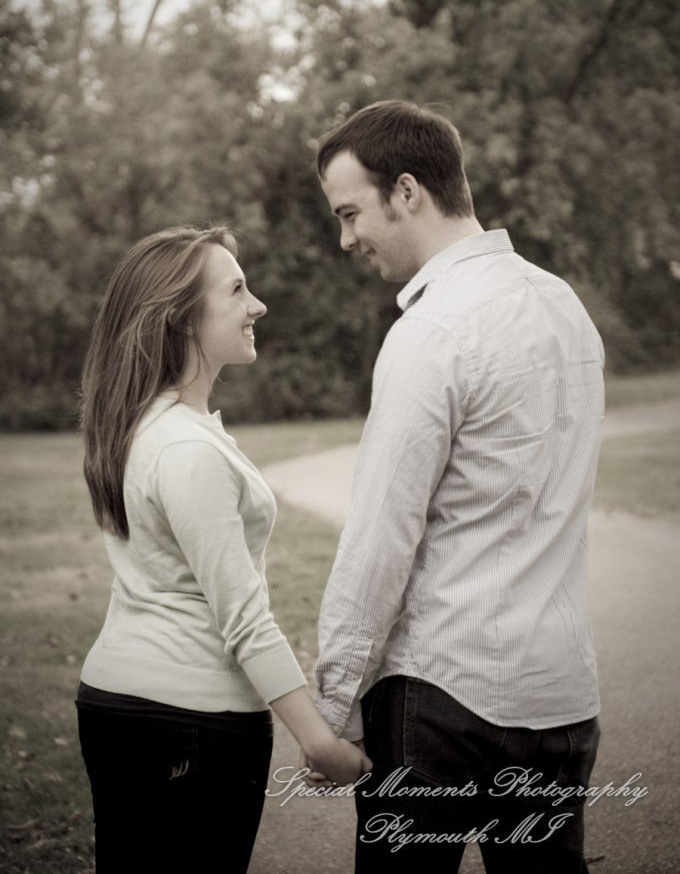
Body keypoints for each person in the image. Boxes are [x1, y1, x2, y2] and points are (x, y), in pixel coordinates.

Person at [313, 101, 604, 873]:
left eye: (349, 213)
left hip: (442, 698)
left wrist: (333, 704)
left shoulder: (431, 332)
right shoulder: (565, 307)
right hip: (560, 696)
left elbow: (380, 536)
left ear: (407, 191)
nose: (346, 239)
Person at [76, 224, 370, 874]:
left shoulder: (149, 427)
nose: (257, 304)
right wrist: (320, 740)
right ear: (182, 319)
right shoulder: (186, 448)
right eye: (236, 290)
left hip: (120, 703)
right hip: (189, 721)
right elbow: (243, 618)